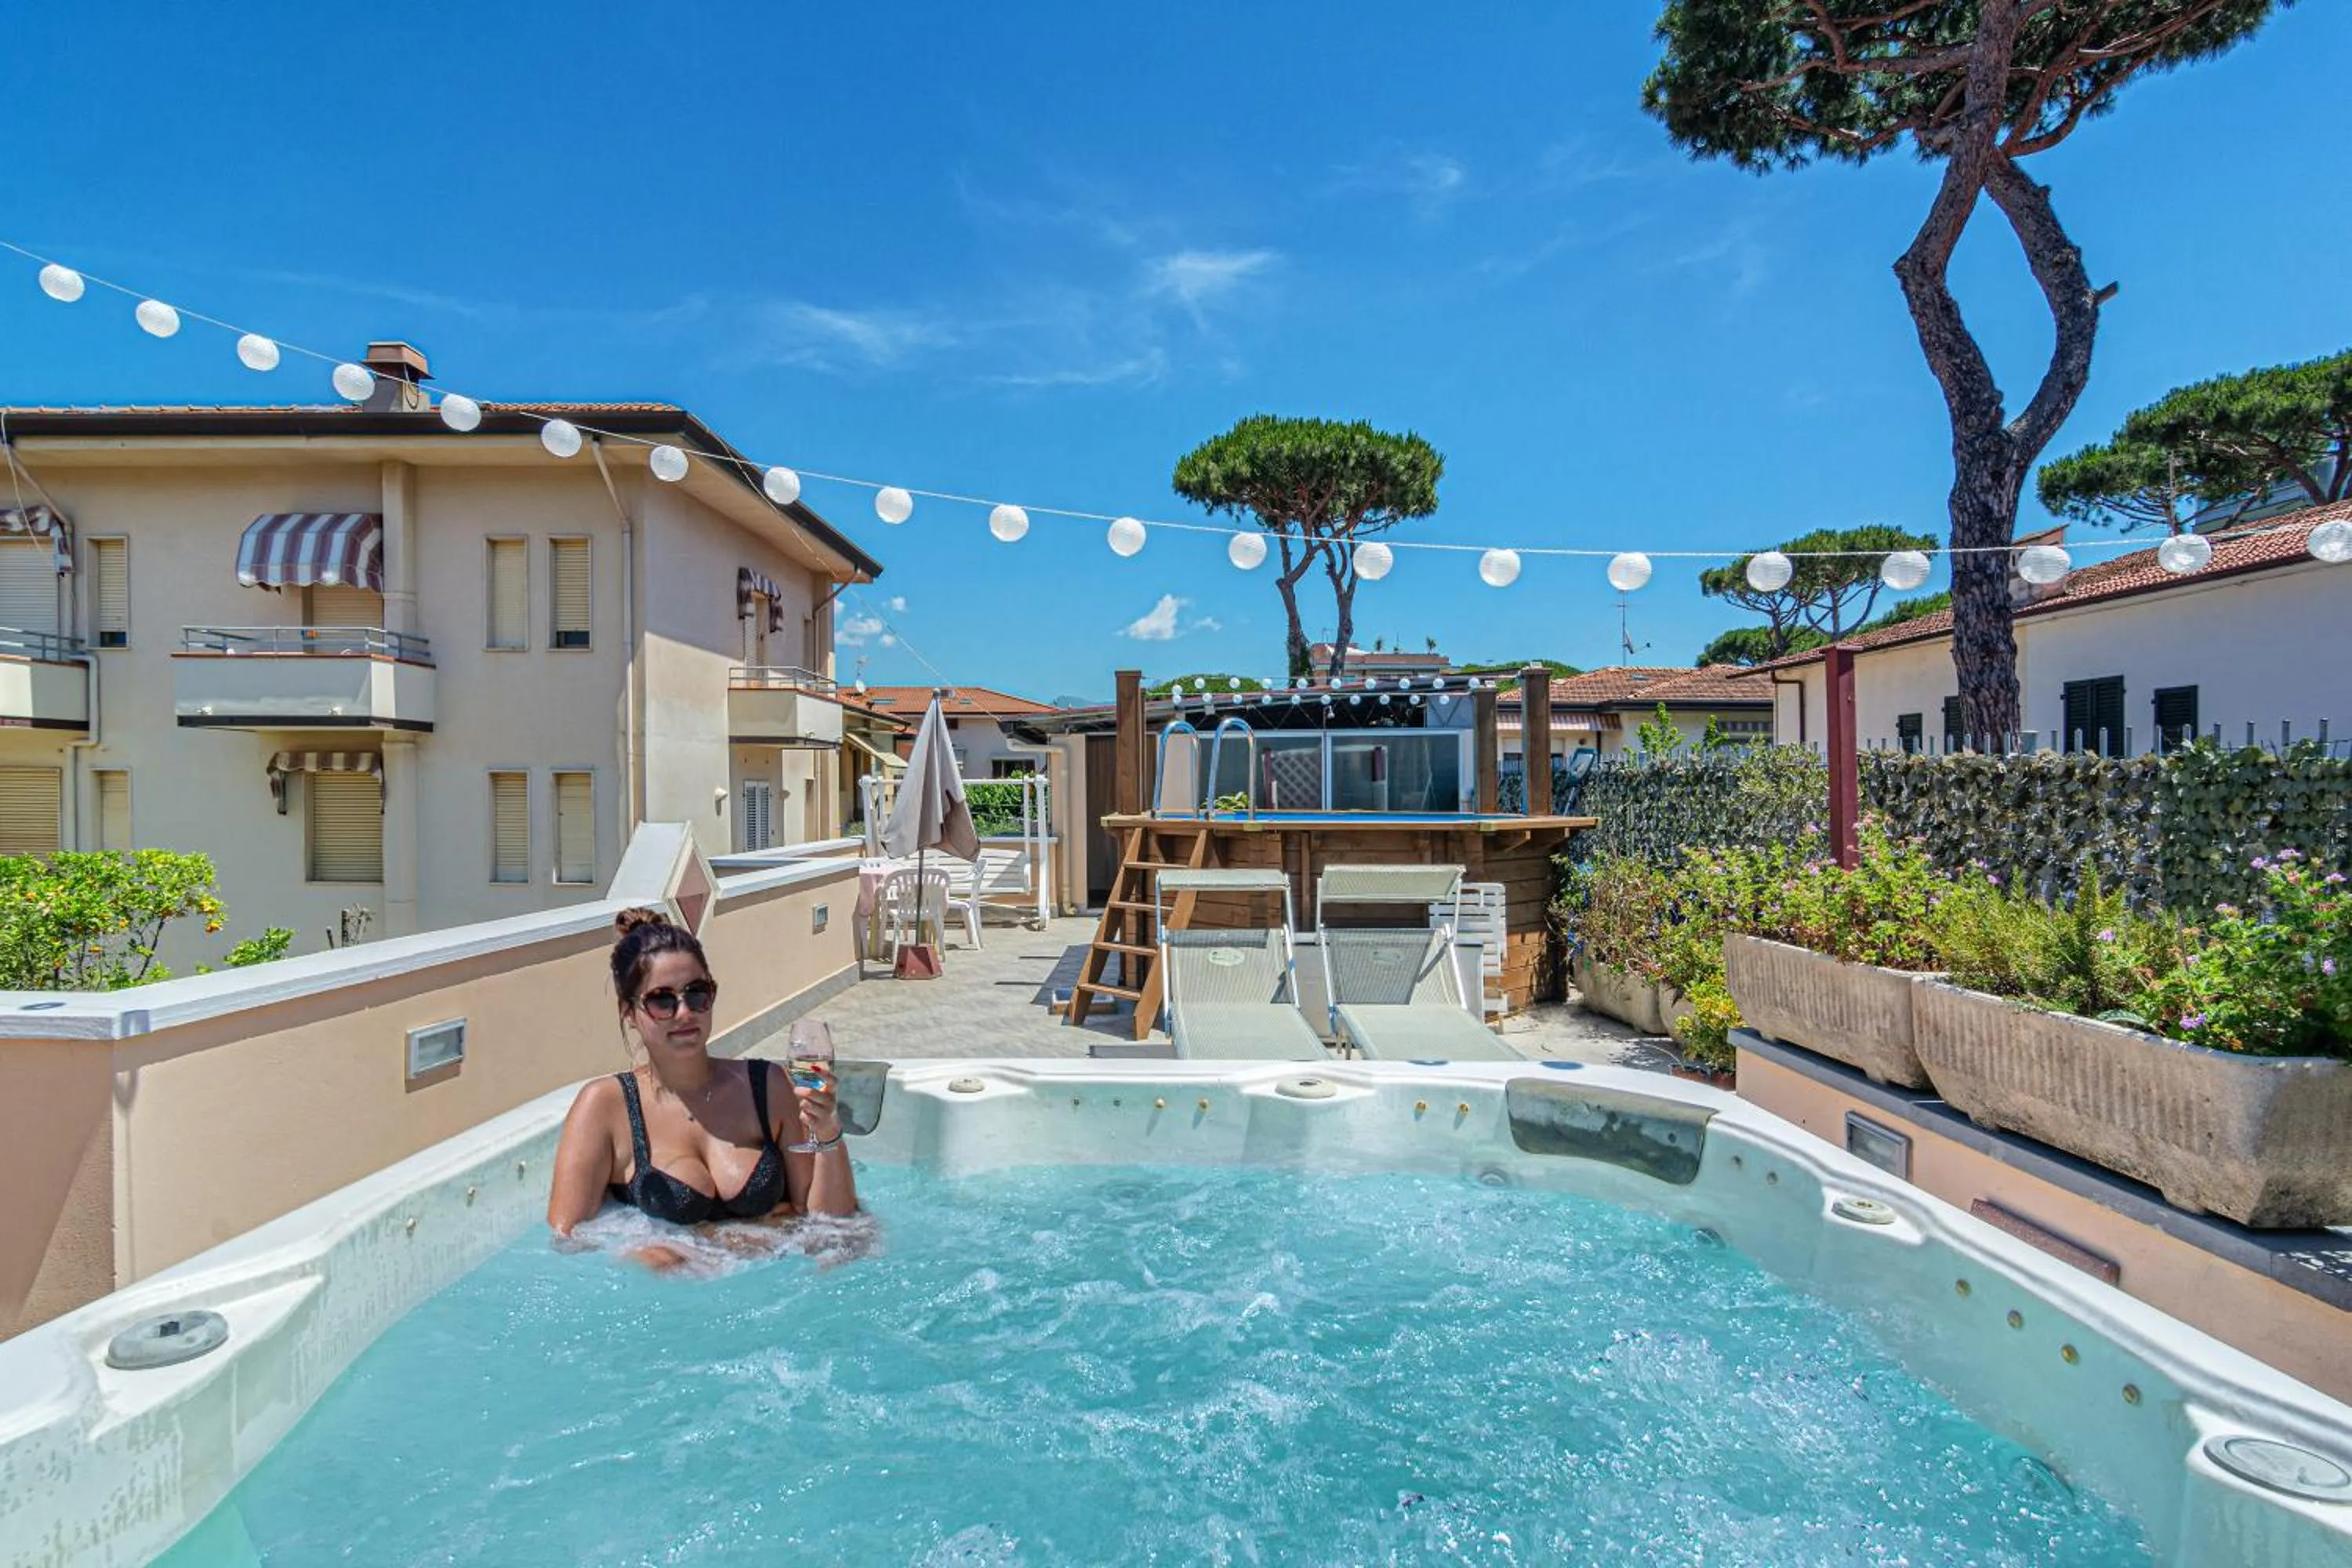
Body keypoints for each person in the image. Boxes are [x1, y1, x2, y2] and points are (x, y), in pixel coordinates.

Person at [548, 909, 858, 1254]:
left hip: (776, 1279)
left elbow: (831, 1227)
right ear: (628, 1012)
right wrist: (652, 1248)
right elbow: (567, 1244)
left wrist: (828, 1129)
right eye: (662, 1000)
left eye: (697, 993)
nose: (684, 1013)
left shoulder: (769, 1086)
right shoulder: (605, 1107)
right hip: (668, 1285)